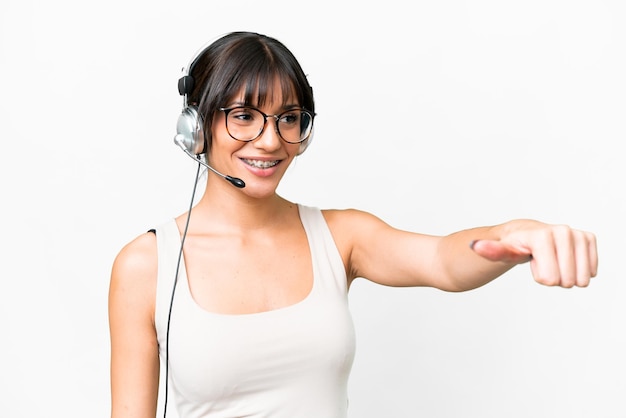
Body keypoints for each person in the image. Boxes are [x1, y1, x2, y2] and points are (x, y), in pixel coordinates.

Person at [108, 31, 598, 418]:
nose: (270, 140)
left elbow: (442, 261)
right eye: (243, 116)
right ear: (196, 126)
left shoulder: (342, 237)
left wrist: (514, 233)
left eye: (289, 118)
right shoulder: (147, 265)